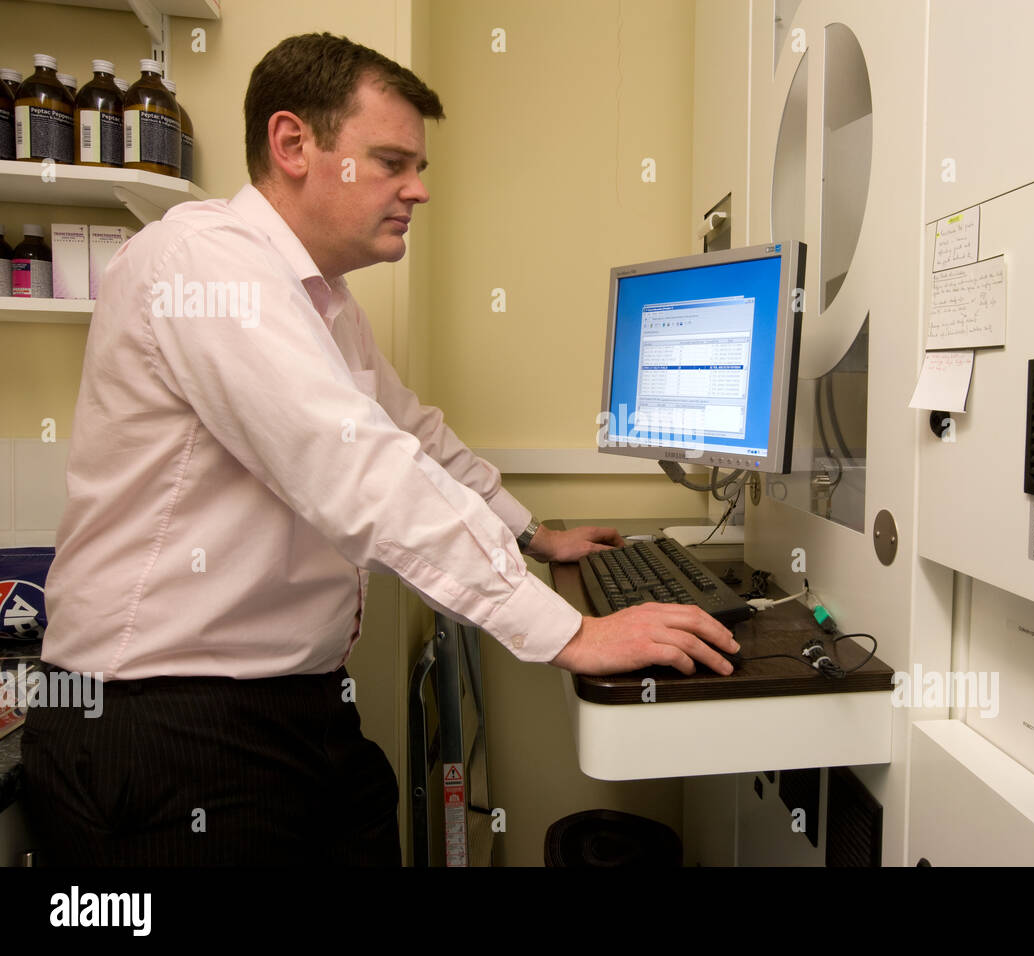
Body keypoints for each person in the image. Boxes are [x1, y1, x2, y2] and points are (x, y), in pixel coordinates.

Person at [20, 32, 738, 866]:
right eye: (393, 161)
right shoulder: (202, 264)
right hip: (166, 726)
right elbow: (353, 464)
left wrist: (527, 532)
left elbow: (411, 433)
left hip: (289, 709)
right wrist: (568, 634)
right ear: (293, 143)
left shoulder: (324, 303)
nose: (419, 190)